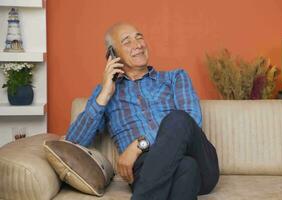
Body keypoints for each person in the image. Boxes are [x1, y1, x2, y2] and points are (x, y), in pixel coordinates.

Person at [65, 22, 219, 200]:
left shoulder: (175, 77)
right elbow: (73, 142)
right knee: (186, 167)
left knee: (177, 119)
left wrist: (140, 145)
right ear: (112, 55)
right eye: (127, 41)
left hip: (201, 162)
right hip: (150, 169)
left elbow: (191, 120)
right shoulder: (105, 93)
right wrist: (105, 93)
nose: (138, 44)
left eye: (139, 37)